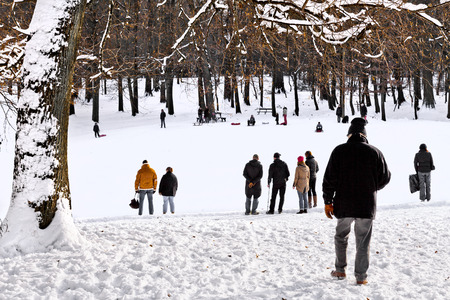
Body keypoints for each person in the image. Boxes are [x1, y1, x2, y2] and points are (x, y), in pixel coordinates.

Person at [322, 117, 391, 285]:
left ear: (349, 135)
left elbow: (329, 179)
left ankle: (340, 270)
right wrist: (371, 188)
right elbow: (385, 177)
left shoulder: (339, 151)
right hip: (366, 205)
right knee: (363, 240)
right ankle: (361, 277)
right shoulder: (375, 152)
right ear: (365, 136)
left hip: (343, 204)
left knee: (341, 236)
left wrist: (328, 201)